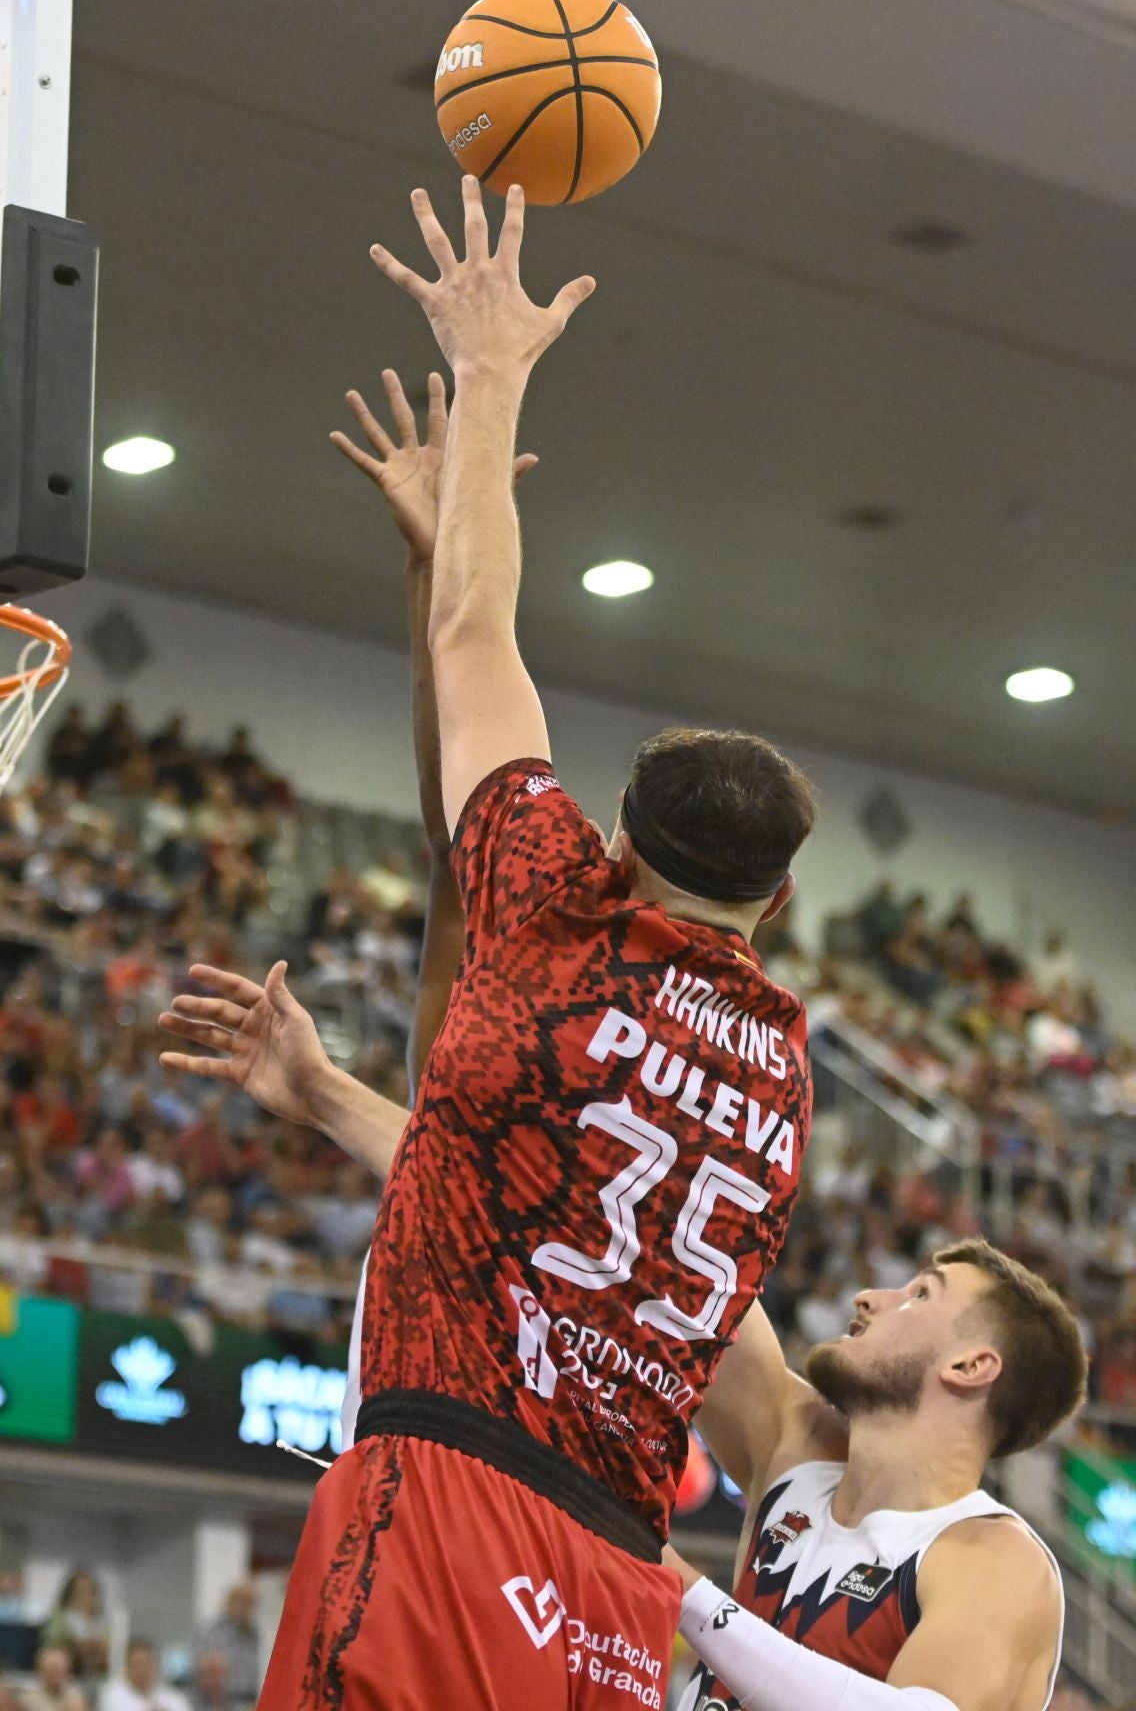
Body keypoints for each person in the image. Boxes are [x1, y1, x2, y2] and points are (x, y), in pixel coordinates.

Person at [160, 180, 817, 1709]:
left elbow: (481, 641)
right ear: (777, 907)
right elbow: (495, 1171)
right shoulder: (783, 1075)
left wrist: (492, 372)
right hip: (614, 1594)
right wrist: (335, 1100)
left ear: (614, 848)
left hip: (448, 1511)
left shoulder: (555, 911)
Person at [667, 1242, 1086, 1711]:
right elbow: (691, 1270)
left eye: (920, 1294)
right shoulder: (797, 1452)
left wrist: (684, 1590)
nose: (867, 1297)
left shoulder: (995, 1560)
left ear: (969, 1366)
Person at [192, 1583, 258, 1709]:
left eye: (250, 1603)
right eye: (240, 1600)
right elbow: (204, 1669)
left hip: (252, 1701)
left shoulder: (257, 1636)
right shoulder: (211, 1632)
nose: (244, 1607)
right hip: (217, 1703)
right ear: (229, 1602)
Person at [98, 1640, 187, 1711]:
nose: (142, 1671)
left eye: (147, 1665)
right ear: (126, 1668)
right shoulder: (112, 1695)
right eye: (137, 1665)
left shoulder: (174, 1698)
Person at [21, 1646, 88, 1711]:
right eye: (52, 1670)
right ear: (41, 1672)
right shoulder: (29, 1697)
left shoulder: (75, 1695)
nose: (57, 1675)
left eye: (61, 1669)